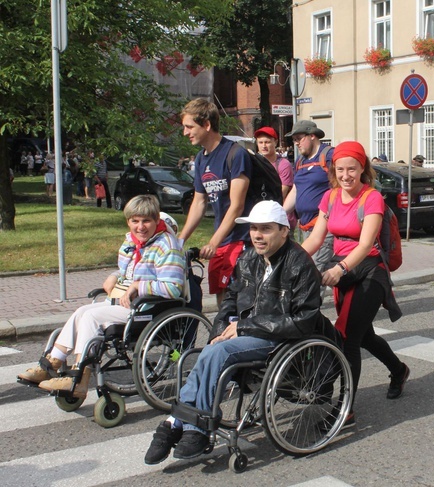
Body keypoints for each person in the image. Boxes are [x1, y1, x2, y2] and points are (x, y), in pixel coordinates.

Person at [143, 201, 331, 463]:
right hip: (244, 333)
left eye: (265, 229)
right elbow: (231, 299)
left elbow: (303, 321)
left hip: (278, 339)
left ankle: (189, 426)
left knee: (217, 352)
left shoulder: (300, 264)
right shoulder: (248, 257)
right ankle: (178, 422)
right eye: (254, 228)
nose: (257, 235)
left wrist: (243, 327)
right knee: (211, 349)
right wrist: (220, 330)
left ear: (284, 231)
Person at [17, 195, 185, 397]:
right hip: (123, 303)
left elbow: (174, 288)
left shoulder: (167, 245)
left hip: (147, 309)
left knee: (91, 317)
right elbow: (128, 272)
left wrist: (138, 286)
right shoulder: (131, 242)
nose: (140, 226)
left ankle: (79, 379)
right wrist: (114, 276)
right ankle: (51, 363)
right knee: (81, 311)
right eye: (135, 221)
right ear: (128, 221)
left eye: (146, 221)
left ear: (157, 220)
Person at [302, 141, 409, 423]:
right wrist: (288, 257)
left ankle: (344, 409)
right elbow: (315, 238)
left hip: (369, 270)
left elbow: (365, 245)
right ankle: (398, 370)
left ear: (363, 168)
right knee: (364, 335)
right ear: (333, 171)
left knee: (348, 338)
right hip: (344, 270)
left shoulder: (371, 198)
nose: (346, 175)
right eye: (340, 169)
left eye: (352, 169)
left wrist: (339, 269)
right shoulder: (330, 197)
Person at [178, 98, 254, 307]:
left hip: (242, 239)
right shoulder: (201, 158)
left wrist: (213, 242)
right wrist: (180, 240)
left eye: (189, 126)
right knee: (221, 300)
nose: (185, 132)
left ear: (207, 125)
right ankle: (223, 334)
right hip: (222, 240)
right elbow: (199, 203)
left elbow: (237, 206)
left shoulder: (235, 154)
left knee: (238, 301)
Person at [283, 120, 334, 272]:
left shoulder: (330, 155)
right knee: (312, 270)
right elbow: (296, 190)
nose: (296, 143)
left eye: (299, 138)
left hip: (324, 226)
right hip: (304, 227)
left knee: (312, 271)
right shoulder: (300, 161)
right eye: (294, 140)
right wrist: (279, 213)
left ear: (312, 135)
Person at [255, 126, 297, 231]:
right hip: (259, 217)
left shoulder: (283, 164)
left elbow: (281, 193)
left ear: (275, 142)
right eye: (260, 142)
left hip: (280, 218)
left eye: (267, 142)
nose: (264, 146)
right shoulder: (254, 164)